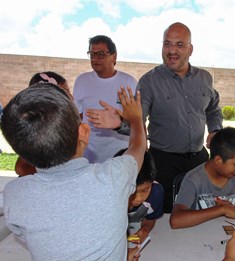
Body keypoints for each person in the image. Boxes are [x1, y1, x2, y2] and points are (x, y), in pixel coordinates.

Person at [85, 22, 223, 213]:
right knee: (164, 215)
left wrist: (215, 129)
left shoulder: (205, 78)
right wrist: (120, 123)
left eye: (179, 45)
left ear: (190, 49)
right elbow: (137, 120)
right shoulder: (149, 82)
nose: (172, 50)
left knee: (199, 210)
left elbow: (213, 108)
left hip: (199, 161)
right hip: (164, 163)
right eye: (167, 44)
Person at [1, 83, 146, 261]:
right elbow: (138, 147)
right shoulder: (114, 177)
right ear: (84, 133)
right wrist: (135, 119)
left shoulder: (14, 194)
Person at [73, 35, 137, 163]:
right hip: (89, 155)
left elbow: (136, 121)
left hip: (120, 155)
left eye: (101, 54)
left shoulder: (128, 82)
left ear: (114, 56)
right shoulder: (82, 81)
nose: (95, 59)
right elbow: (77, 118)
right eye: (92, 54)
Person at [169, 127, 235, 229]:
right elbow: (176, 221)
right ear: (218, 160)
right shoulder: (193, 180)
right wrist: (222, 209)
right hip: (198, 239)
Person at [15, 71, 73, 176]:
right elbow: (21, 168)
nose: (71, 97)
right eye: (66, 91)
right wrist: (55, 175)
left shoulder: (60, 121)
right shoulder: (37, 125)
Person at [114, 149, 164, 247]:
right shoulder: (106, 197)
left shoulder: (156, 193)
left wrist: (145, 229)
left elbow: (150, 219)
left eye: (145, 190)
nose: (138, 198)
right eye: (132, 191)